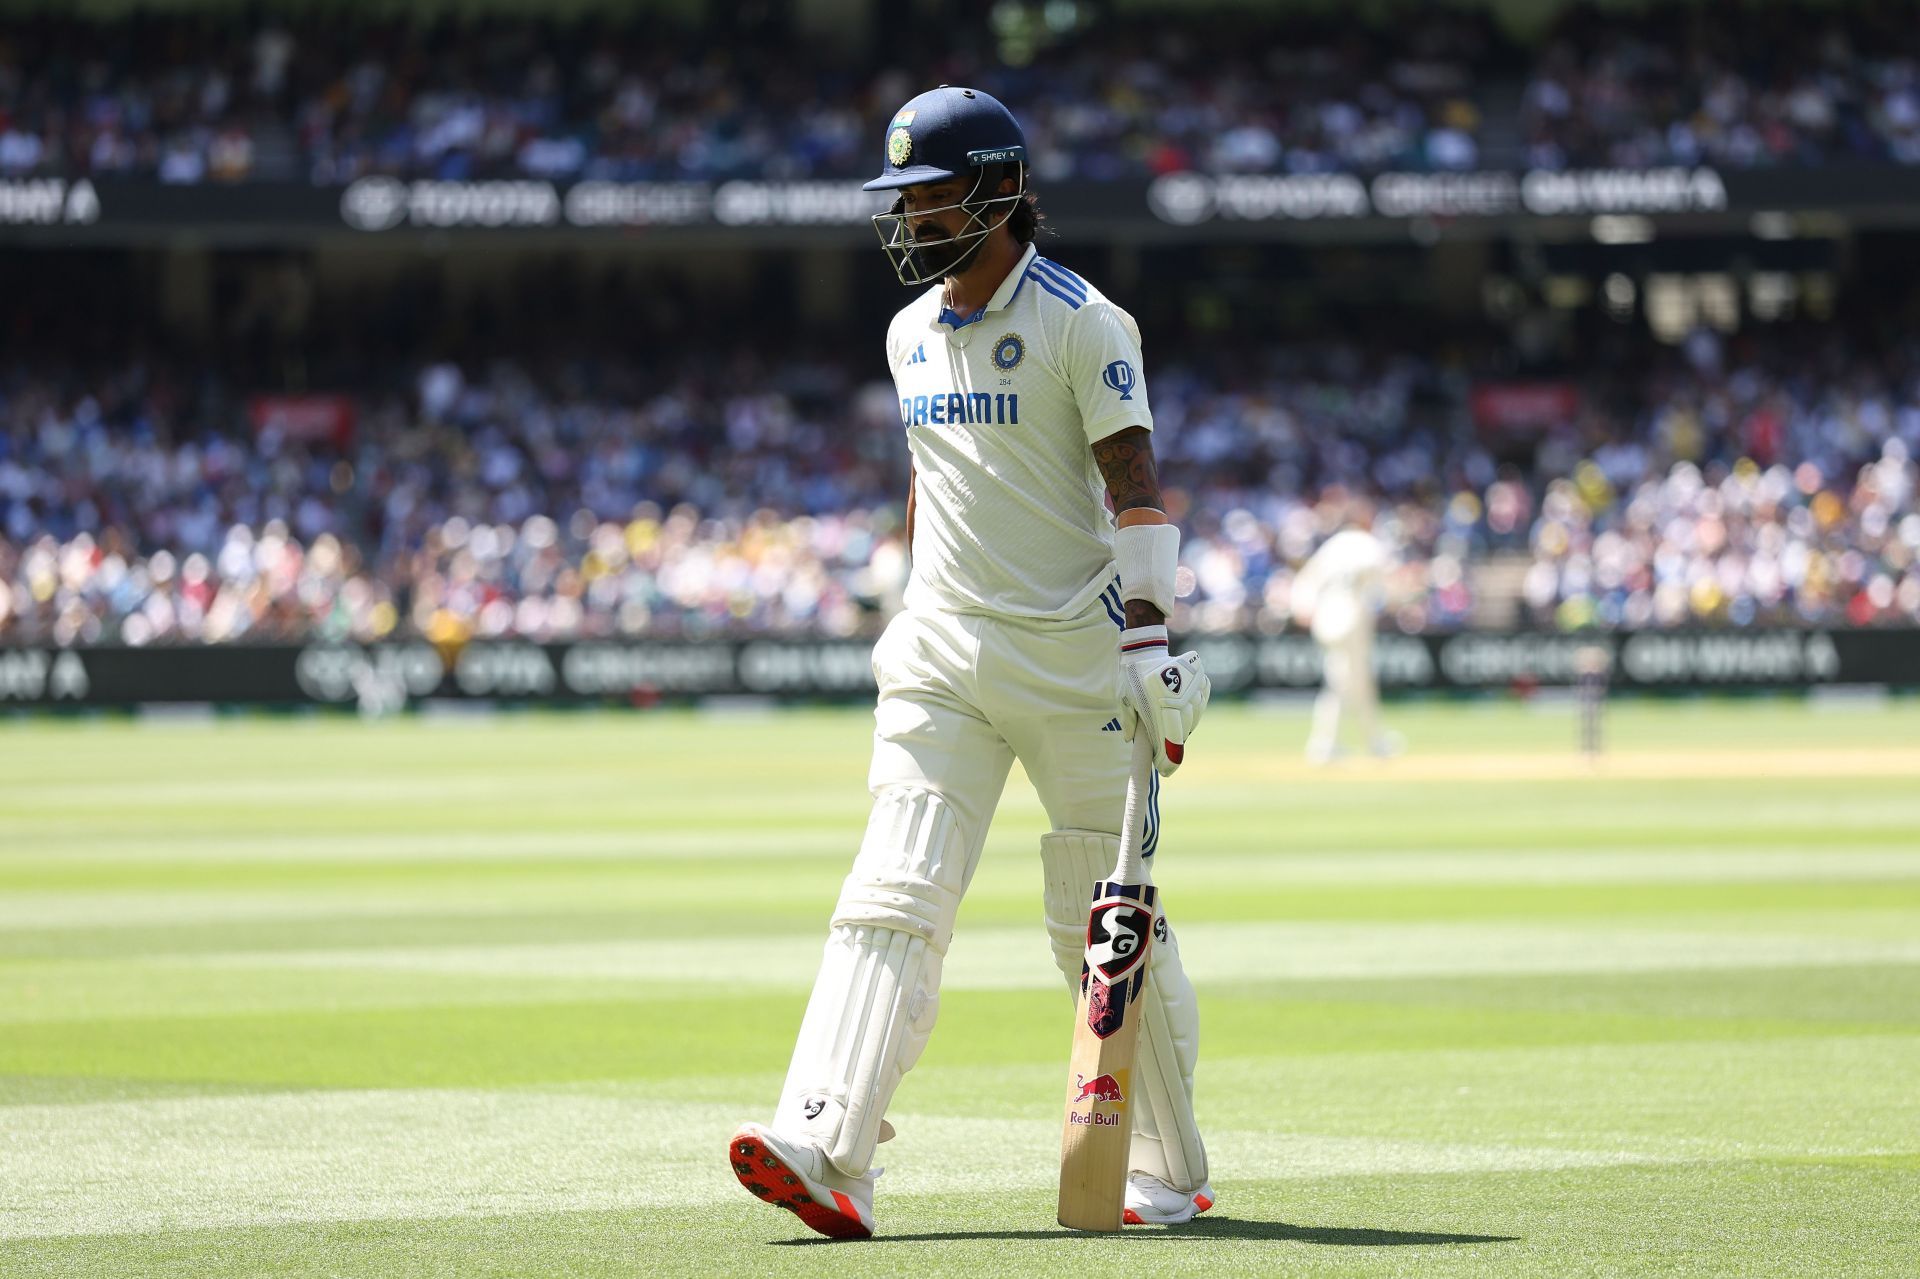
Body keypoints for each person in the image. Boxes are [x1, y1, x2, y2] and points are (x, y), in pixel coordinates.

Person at [728, 85, 1215, 1238]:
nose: (910, 217)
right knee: (892, 888)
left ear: (997, 189)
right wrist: (904, 605)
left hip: (1072, 653)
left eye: (932, 195)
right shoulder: (906, 333)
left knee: (1098, 916)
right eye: (901, 197)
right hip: (944, 646)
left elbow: (1134, 487)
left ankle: (1167, 1164)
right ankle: (828, 1139)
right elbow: (927, 484)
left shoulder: (1082, 320)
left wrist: (1150, 640)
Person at [1292, 518, 1401, 763]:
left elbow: (1307, 580)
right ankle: (1334, 744)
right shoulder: (1368, 543)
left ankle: (1365, 741)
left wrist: (1302, 605)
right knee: (1351, 683)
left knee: (1345, 681)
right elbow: (1383, 584)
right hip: (1352, 616)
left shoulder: (1333, 545)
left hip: (1325, 617)